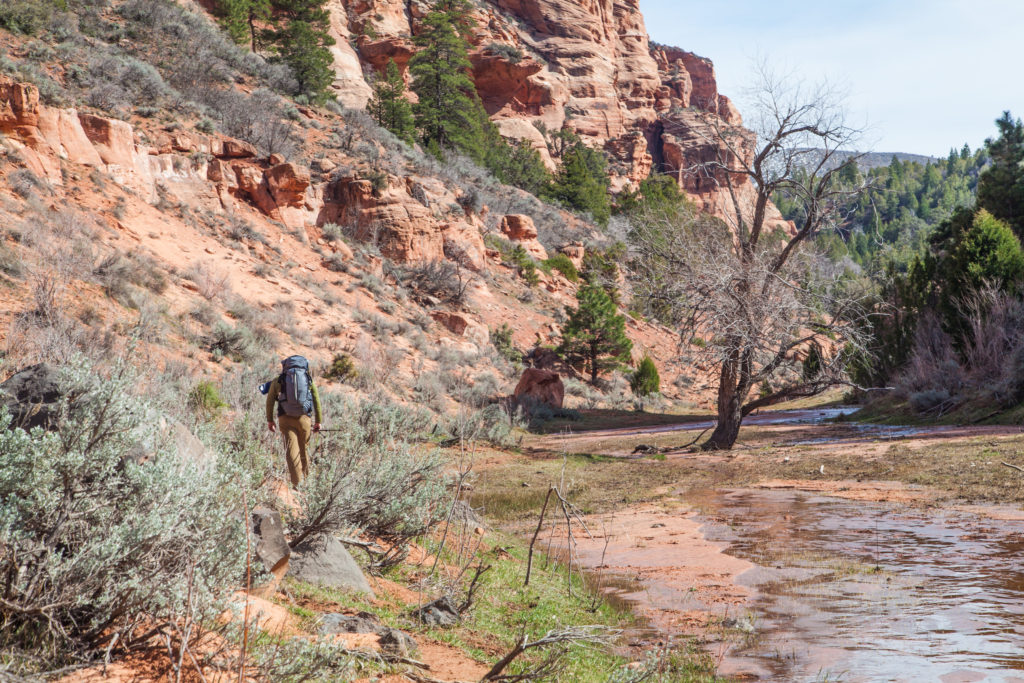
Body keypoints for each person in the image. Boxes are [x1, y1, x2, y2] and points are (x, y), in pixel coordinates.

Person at [265, 355, 322, 487]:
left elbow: (270, 401)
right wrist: (318, 421)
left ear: (285, 366)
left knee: (291, 452)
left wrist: (270, 420)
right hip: (304, 419)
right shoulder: (308, 380)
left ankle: (297, 484)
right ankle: (308, 484)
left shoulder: (278, 380)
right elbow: (316, 400)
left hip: (285, 418)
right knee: (304, 450)